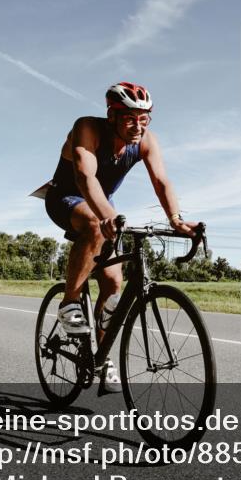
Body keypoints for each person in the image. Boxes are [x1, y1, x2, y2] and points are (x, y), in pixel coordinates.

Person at [41, 81, 198, 391]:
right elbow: (85, 177)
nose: (137, 125)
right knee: (95, 226)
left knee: (113, 283)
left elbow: (161, 181)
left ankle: (102, 356)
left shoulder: (146, 141)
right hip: (66, 197)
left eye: (144, 118)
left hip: (103, 205)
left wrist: (177, 220)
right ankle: (69, 302)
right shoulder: (87, 128)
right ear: (111, 115)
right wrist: (106, 216)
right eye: (129, 118)